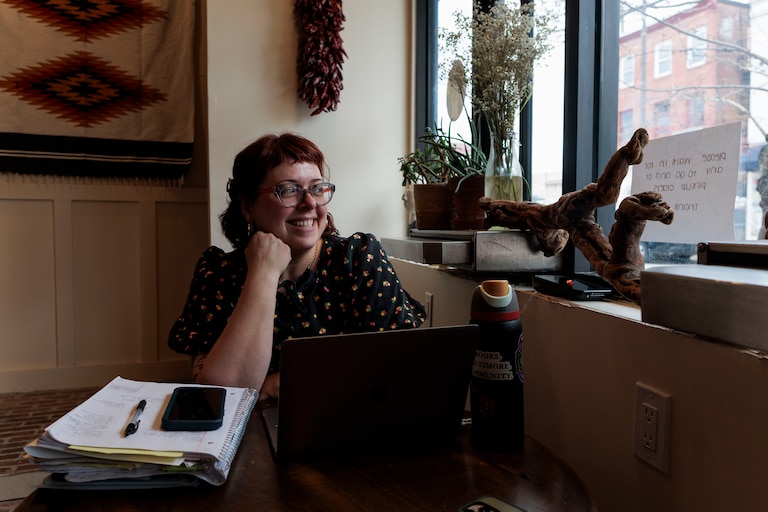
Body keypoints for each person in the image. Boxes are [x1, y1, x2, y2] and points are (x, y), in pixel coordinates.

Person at [168, 133, 426, 399]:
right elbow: (219, 394)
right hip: (249, 435)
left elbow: (395, 366)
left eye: (317, 188)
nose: (310, 204)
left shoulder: (359, 259)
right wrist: (264, 274)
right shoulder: (218, 273)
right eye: (289, 190)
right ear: (247, 206)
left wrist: (273, 386)